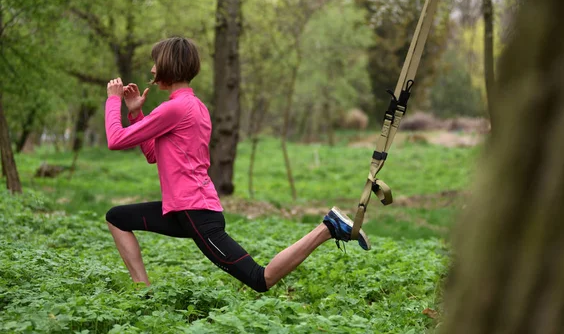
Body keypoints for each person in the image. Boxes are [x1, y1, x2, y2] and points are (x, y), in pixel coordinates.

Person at [104, 37, 370, 293]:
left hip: (194, 211)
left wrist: (113, 99)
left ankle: (328, 228)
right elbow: (153, 154)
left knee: (259, 279)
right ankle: (144, 294)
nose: (151, 69)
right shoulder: (194, 106)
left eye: (155, 62)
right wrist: (136, 113)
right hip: (182, 209)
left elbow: (115, 140)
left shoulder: (173, 109)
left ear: (168, 66)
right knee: (117, 218)